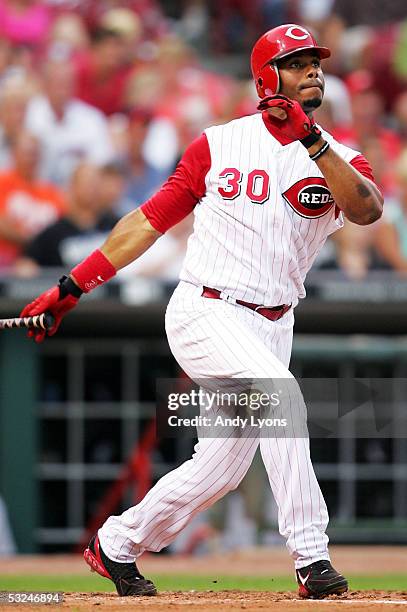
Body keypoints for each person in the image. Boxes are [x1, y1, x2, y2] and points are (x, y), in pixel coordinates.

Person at [20, 24, 383, 599]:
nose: (312, 69)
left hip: (273, 322)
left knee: (221, 469)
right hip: (206, 308)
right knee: (279, 394)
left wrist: (314, 142)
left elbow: (367, 211)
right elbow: (146, 221)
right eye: (297, 62)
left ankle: (117, 543)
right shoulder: (217, 144)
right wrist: (73, 285)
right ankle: (312, 558)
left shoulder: (340, 157)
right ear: (268, 78)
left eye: (315, 60)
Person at [15, 163, 119, 273]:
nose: (92, 189)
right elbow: (26, 263)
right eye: (87, 183)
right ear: (73, 186)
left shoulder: (115, 226)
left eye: (96, 184)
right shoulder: (54, 233)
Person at [0, 131, 65, 268]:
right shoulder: (3, 182)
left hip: (43, 260)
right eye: (27, 153)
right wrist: (35, 242)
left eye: (35, 153)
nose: (31, 159)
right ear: (14, 153)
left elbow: (61, 227)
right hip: (7, 258)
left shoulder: (51, 191)